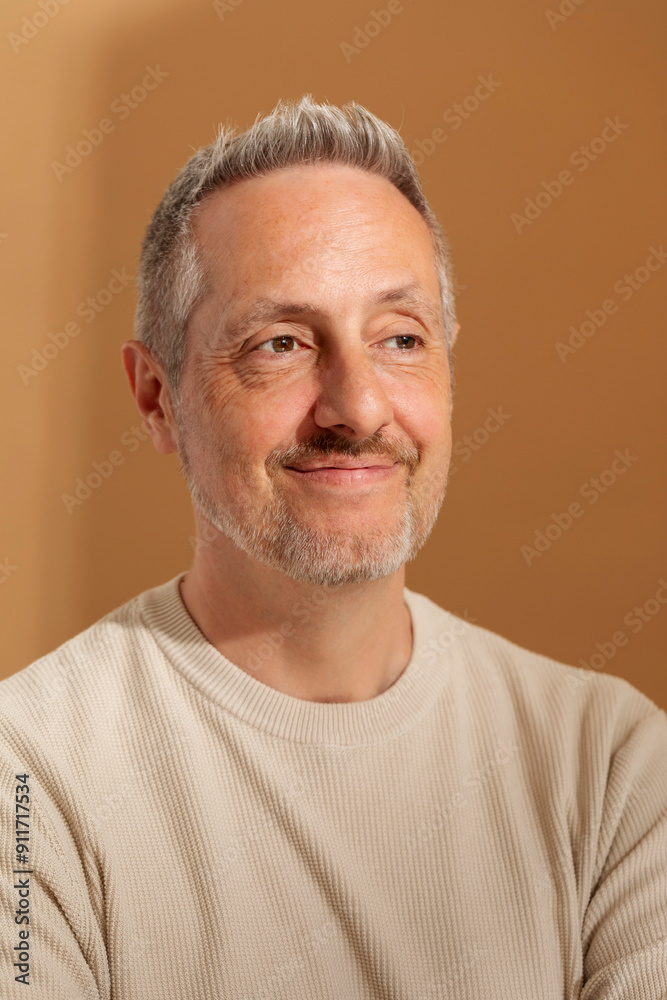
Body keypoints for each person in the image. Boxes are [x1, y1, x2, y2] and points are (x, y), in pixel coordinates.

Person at [1, 96, 665, 1000]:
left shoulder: (616, 768)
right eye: (280, 343)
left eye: (400, 339)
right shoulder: (28, 778)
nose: (356, 406)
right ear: (157, 396)